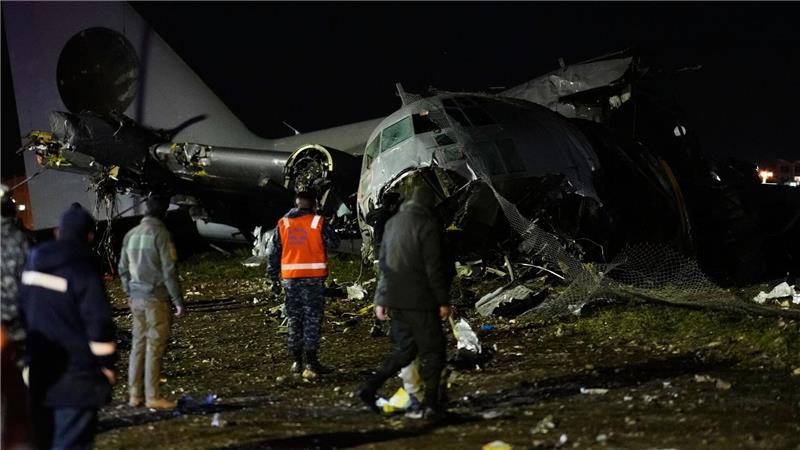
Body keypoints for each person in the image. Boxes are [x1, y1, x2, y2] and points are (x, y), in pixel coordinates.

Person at [20, 203, 117, 450]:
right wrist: (106, 367)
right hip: (76, 377)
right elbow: (99, 323)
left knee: (42, 439)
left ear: (57, 232)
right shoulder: (83, 269)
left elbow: (21, 311)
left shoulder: (33, 262)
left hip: (39, 372)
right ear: (89, 236)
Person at [357, 183, 453, 420]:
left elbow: (384, 264)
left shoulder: (392, 223)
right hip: (420, 299)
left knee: (405, 350)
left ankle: (368, 387)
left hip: (395, 299)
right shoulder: (427, 224)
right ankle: (432, 404)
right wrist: (442, 300)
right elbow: (433, 267)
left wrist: (380, 300)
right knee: (434, 352)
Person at [119, 196, 184, 409]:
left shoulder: (131, 234)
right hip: (155, 298)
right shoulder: (160, 234)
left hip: (136, 298)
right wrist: (177, 300)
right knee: (155, 347)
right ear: (162, 214)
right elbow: (169, 270)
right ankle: (153, 396)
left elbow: (123, 269)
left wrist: (129, 291)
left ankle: (134, 395)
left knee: (138, 345)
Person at [267, 190, 339, 378]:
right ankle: (312, 361)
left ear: (296, 203)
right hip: (313, 280)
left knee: (294, 318)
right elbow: (334, 244)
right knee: (312, 319)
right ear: (314, 205)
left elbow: (273, 252)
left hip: (290, 280)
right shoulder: (318, 222)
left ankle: (296, 362)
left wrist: (272, 276)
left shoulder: (283, 223)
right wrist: (328, 223)